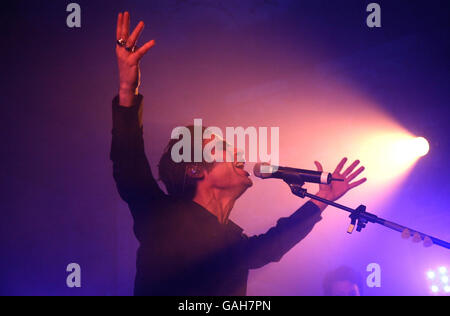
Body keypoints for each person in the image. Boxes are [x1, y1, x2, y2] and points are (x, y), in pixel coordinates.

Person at [111, 12, 367, 296]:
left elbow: (267, 248)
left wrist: (324, 198)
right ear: (195, 169)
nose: (238, 151)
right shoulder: (161, 217)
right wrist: (127, 88)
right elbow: (128, 163)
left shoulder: (232, 239)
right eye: (221, 147)